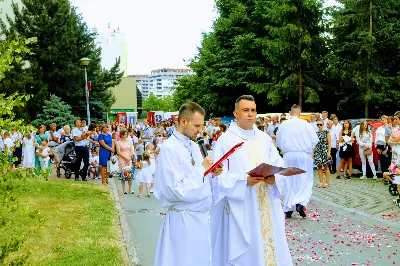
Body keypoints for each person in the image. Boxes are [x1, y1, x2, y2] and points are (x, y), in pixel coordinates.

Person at [211, 95, 292, 266]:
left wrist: (274, 178)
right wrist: (243, 180)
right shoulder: (226, 140)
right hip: (242, 205)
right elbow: (218, 176)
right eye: (245, 110)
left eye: (253, 110)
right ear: (236, 113)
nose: (250, 114)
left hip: (267, 203)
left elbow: (278, 164)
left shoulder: (264, 139)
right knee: (248, 252)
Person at [153, 102, 222, 266]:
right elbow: (174, 189)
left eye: (202, 125)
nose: (200, 130)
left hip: (200, 217)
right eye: (196, 125)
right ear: (183, 121)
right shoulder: (170, 148)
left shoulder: (193, 144)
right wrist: (203, 169)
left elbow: (198, 176)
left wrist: (211, 172)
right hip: (183, 219)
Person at [276, 104, 319, 219]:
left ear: (290, 113)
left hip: (289, 154)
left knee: (289, 180)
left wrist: (283, 150)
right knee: (305, 179)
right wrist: (309, 149)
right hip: (303, 154)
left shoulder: (284, 125)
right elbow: (315, 140)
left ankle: (288, 209)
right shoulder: (306, 124)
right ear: (300, 113)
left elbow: (279, 140)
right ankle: (300, 203)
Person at [313, 121, 332, 188]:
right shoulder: (316, 133)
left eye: (320, 124)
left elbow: (329, 143)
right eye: (318, 125)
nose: (319, 126)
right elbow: (314, 144)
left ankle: (327, 182)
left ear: (323, 125)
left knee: (326, 166)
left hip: (325, 150)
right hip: (318, 151)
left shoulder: (327, 132)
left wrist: (329, 152)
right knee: (319, 167)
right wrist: (313, 152)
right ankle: (321, 182)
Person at [116, 129, 134, 194]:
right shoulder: (118, 142)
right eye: (125, 134)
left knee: (130, 174)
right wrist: (125, 157)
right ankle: (124, 189)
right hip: (122, 158)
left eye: (126, 134)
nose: (126, 135)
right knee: (123, 174)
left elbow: (131, 149)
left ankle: (130, 189)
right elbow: (118, 152)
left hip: (129, 158)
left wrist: (130, 156)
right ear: (122, 134)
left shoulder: (129, 141)